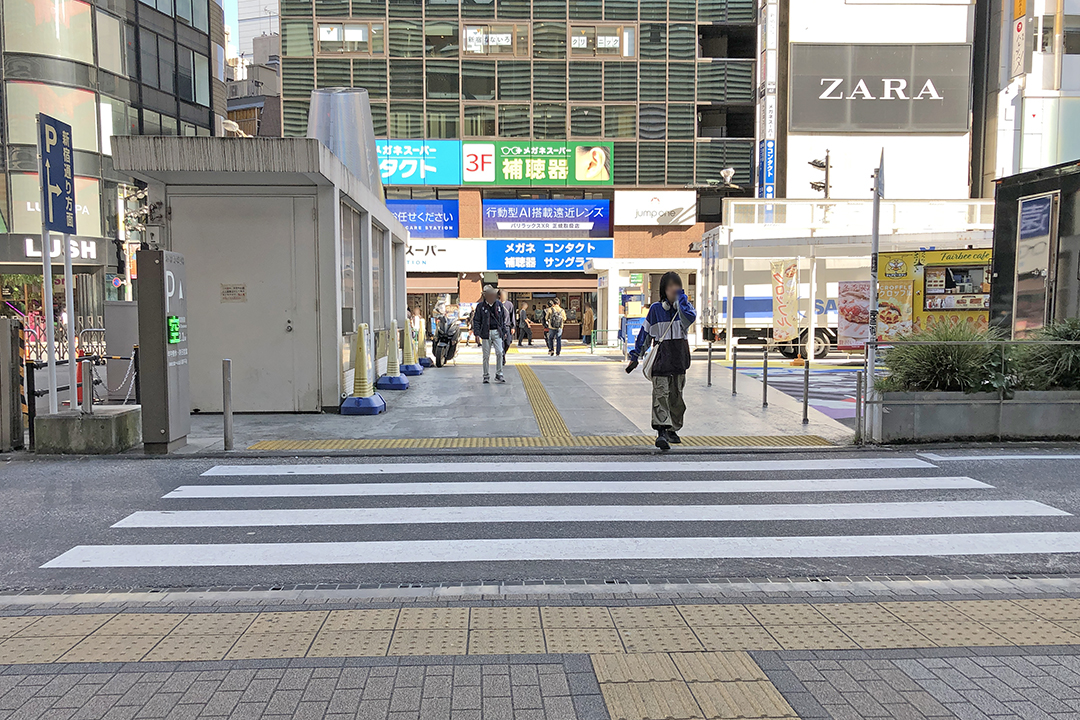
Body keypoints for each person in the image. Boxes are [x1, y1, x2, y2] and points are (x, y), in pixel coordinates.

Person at [626, 272, 697, 451]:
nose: (673, 289)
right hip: (661, 361)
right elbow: (645, 334)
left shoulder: (684, 308)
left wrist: (681, 300)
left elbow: (691, 318)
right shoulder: (657, 309)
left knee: (676, 398)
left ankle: (672, 428)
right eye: (669, 286)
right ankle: (661, 432)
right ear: (663, 289)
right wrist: (635, 357)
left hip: (679, 360)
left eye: (676, 285)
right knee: (661, 396)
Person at [472, 285, 511, 384]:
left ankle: (499, 374)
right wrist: (477, 333)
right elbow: (476, 320)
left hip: (497, 332)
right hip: (485, 333)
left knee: (500, 352)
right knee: (486, 355)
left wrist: (504, 331)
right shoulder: (480, 306)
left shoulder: (498, 305)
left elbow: (502, 319)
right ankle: (486, 375)